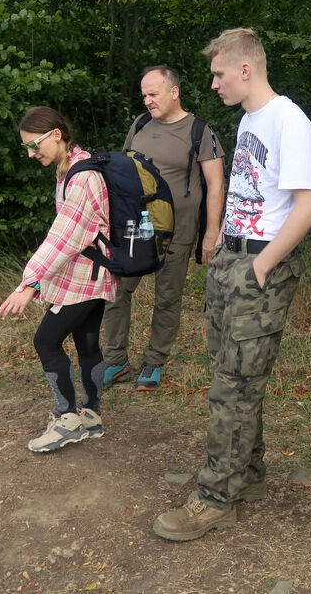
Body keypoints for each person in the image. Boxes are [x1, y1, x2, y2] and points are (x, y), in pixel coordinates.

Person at [153, 28, 311, 541]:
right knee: (231, 375)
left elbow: (309, 205)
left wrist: (261, 266)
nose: (213, 84)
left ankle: (214, 499)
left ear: (245, 70)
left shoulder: (289, 121)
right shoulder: (250, 118)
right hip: (232, 257)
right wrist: (224, 247)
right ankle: (247, 472)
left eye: (219, 74)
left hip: (259, 265)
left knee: (234, 385)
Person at [0, 106, 117, 453]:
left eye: (34, 145)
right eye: (26, 147)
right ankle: (91, 417)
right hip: (91, 274)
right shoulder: (70, 169)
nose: (31, 153)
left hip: (86, 278)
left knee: (46, 341)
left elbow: (62, 238)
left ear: (56, 135)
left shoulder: (82, 177)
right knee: (87, 344)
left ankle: (68, 420)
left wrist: (29, 283)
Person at [101, 65, 226, 391]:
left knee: (167, 298)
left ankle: (154, 362)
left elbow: (216, 185)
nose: (147, 101)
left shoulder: (199, 131)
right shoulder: (141, 124)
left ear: (174, 92)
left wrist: (211, 232)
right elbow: (124, 170)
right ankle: (115, 361)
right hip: (136, 229)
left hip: (178, 232)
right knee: (116, 291)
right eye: (144, 95)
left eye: (153, 94)